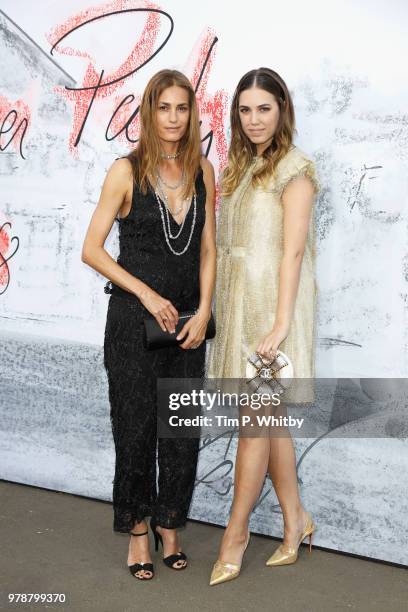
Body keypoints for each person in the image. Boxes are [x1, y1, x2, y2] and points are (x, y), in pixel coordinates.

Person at [81, 69, 216, 580]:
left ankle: (170, 525)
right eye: (164, 108)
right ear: (149, 112)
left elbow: (206, 248)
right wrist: (145, 291)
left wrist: (204, 311)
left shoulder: (203, 169)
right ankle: (139, 530)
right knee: (135, 432)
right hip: (132, 324)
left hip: (189, 326)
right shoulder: (125, 171)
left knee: (179, 431)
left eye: (182, 108)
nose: (174, 118)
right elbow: (91, 250)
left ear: (191, 112)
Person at [207, 67, 320, 585]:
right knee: (268, 422)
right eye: (246, 110)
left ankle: (236, 535)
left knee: (255, 423)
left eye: (264, 109)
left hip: (274, 313)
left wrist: (279, 323)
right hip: (239, 305)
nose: (254, 120)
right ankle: (296, 520)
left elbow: (293, 252)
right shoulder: (238, 166)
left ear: (282, 110)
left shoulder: (295, 169)